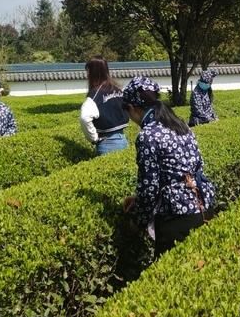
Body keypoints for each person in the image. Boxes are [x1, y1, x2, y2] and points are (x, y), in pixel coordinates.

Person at [120, 75, 215, 255]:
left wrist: (137, 221)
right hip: (204, 205)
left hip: (178, 218)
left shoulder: (147, 135)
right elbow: (193, 167)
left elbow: (149, 188)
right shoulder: (180, 125)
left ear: (132, 108)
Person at [79, 57, 129, 155]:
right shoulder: (118, 90)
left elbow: (84, 118)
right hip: (122, 139)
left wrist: (94, 139)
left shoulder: (95, 96)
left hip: (107, 144)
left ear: (92, 73)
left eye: (88, 72)